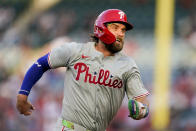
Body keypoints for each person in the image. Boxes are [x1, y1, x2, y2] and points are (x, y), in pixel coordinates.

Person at [16, 9, 150, 131]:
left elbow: (141, 101)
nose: (120, 34)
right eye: (115, 28)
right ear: (100, 29)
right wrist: (23, 93)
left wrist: (141, 111)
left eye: (123, 30)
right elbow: (40, 64)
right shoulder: (74, 51)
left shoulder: (127, 64)